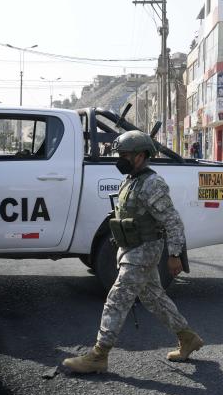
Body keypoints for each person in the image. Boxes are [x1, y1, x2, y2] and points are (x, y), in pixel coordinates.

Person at [62, 130, 202, 374]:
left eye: (125, 154)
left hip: (144, 251)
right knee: (154, 298)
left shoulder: (152, 183)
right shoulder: (131, 180)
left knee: (116, 300)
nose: (120, 159)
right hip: (131, 249)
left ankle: (99, 354)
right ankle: (187, 337)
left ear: (140, 156)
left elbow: (172, 221)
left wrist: (175, 254)